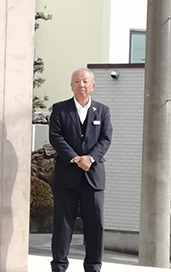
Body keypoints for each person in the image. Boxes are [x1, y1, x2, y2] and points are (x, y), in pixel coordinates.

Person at [49, 68, 113, 272]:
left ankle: (93, 267)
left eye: (85, 81)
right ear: (71, 86)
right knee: (62, 225)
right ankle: (59, 267)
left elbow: (105, 138)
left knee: (94, 225)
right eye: (76, 81)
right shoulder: (60, 109)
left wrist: (90, 158)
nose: (81, 85)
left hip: (93, 177)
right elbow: (55, 136)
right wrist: (75, 158)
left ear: (92, 86)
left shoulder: (102, 111)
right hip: (67, 175)